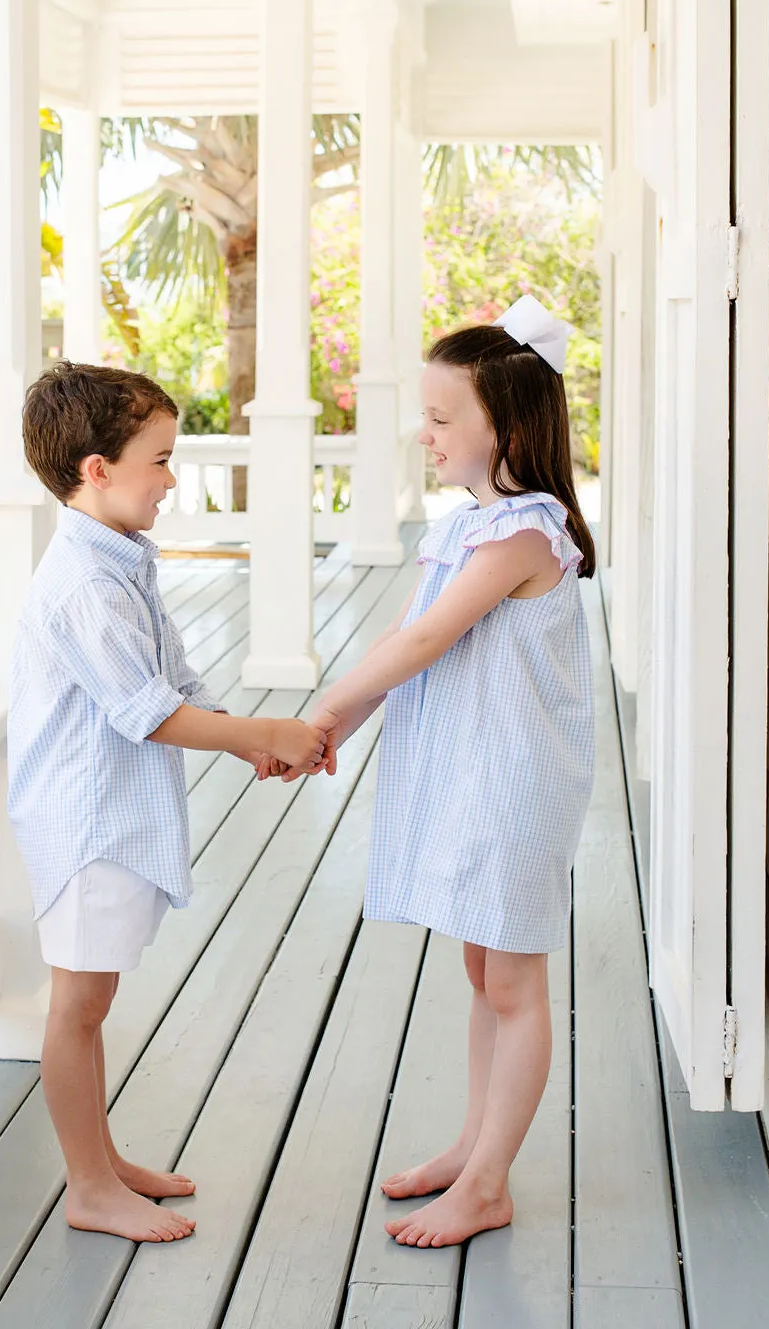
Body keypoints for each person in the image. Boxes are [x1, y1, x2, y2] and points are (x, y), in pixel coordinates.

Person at [261, 295, 595, 1250]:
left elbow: (428, 636)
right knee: (482, 966)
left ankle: (489, 1180)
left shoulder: (525, 535)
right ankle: (472, 1143)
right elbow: (409, 649)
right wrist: (335, 728)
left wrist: (322, 709)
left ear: (512, 427)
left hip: (517, 779)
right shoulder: (464, 527)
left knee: (514, 980)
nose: (425, 433)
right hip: (469, 771)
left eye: (444, 418)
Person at [8, 362, 328, 1245]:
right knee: (77, 1007)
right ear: (95, 469)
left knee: (95, 1000)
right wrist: (261, 734)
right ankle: (87, 1186)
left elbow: (175, 680)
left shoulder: (119, 560)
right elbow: (146, 714)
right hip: (85, 823)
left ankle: (101, 1161)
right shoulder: (84, 585)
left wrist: (242, 736)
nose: (171, 476)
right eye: (158, 459)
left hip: (110, 812)